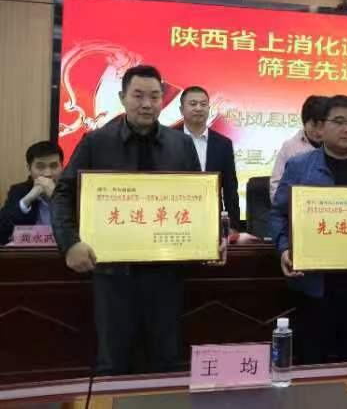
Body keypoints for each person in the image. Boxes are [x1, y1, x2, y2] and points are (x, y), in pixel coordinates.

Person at [51, 65, 202, 375]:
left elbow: (198, 199)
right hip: (113, 275)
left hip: (166, 274)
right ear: (122, 98)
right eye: (138, 96)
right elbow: (63, 195)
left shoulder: (181, 145)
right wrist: (70, 243)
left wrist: (209, 238)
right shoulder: (95, 142)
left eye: (155, 97)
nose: (147, 104)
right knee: (114, 362)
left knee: (166, 360)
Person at [269, 95, 347, 364]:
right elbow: (278, 214)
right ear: (321, 127)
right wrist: (284, 248)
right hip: (315, 283)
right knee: (314, 361)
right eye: (340, 122)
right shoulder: (300, 166)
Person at [178, 86, 241, 229]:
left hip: (211, 219)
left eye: (203, 104)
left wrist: (233, 226)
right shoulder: (167, 139)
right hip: (176, 217)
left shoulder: (223, 144)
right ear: (181, 110)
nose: (198, 108)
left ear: (209, 109)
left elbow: (230, 188)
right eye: (193, 104)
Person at [0, 141, 64, 245]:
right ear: (29, 168)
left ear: (62, 167)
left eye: (53, 166)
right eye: (40, 167)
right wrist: (27, 200)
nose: (47, 174)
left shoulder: (73, 191)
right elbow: (2, 231)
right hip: (29, 253)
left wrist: (56, 198)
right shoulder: (19, 191)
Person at [269, 95, 327, 202]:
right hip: (298, 208)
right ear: (304, 122)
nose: (319, 132)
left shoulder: (337, 147)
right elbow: (276, 187)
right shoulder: (289, 147)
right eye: (314, 125)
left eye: (323, 126)